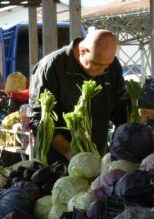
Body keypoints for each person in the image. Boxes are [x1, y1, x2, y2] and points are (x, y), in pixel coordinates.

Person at [28, 30, 128, 163]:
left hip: (97, 158)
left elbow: (120, 106)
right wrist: (71, 153)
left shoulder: (113, 66)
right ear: (83, 51)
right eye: (97, 64)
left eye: (107, 65)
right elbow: (38, 118)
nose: (103, 70)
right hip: (57, 161)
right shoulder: (51, 67)